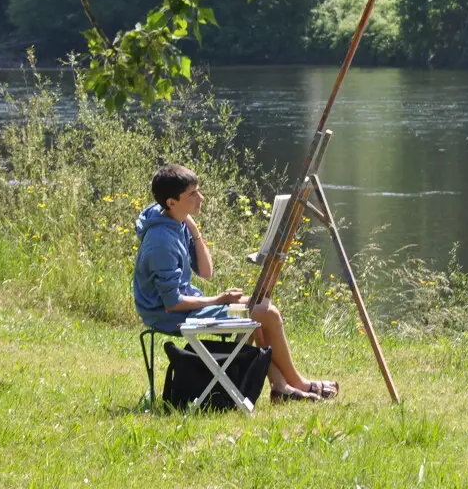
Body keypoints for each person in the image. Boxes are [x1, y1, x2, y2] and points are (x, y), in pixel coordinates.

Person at [133, 164, 338, 403]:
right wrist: (219, 300)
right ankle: (297, 383)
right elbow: (171, 303)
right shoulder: (161, 241)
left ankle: (281, 387)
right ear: (171, 202)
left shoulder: (175, 222)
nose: (201, 197)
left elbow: (206, 272)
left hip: (185, 307)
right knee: (266, 312)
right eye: (192, 194)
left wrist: (195, 231)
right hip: (168, 315)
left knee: (258, 306)